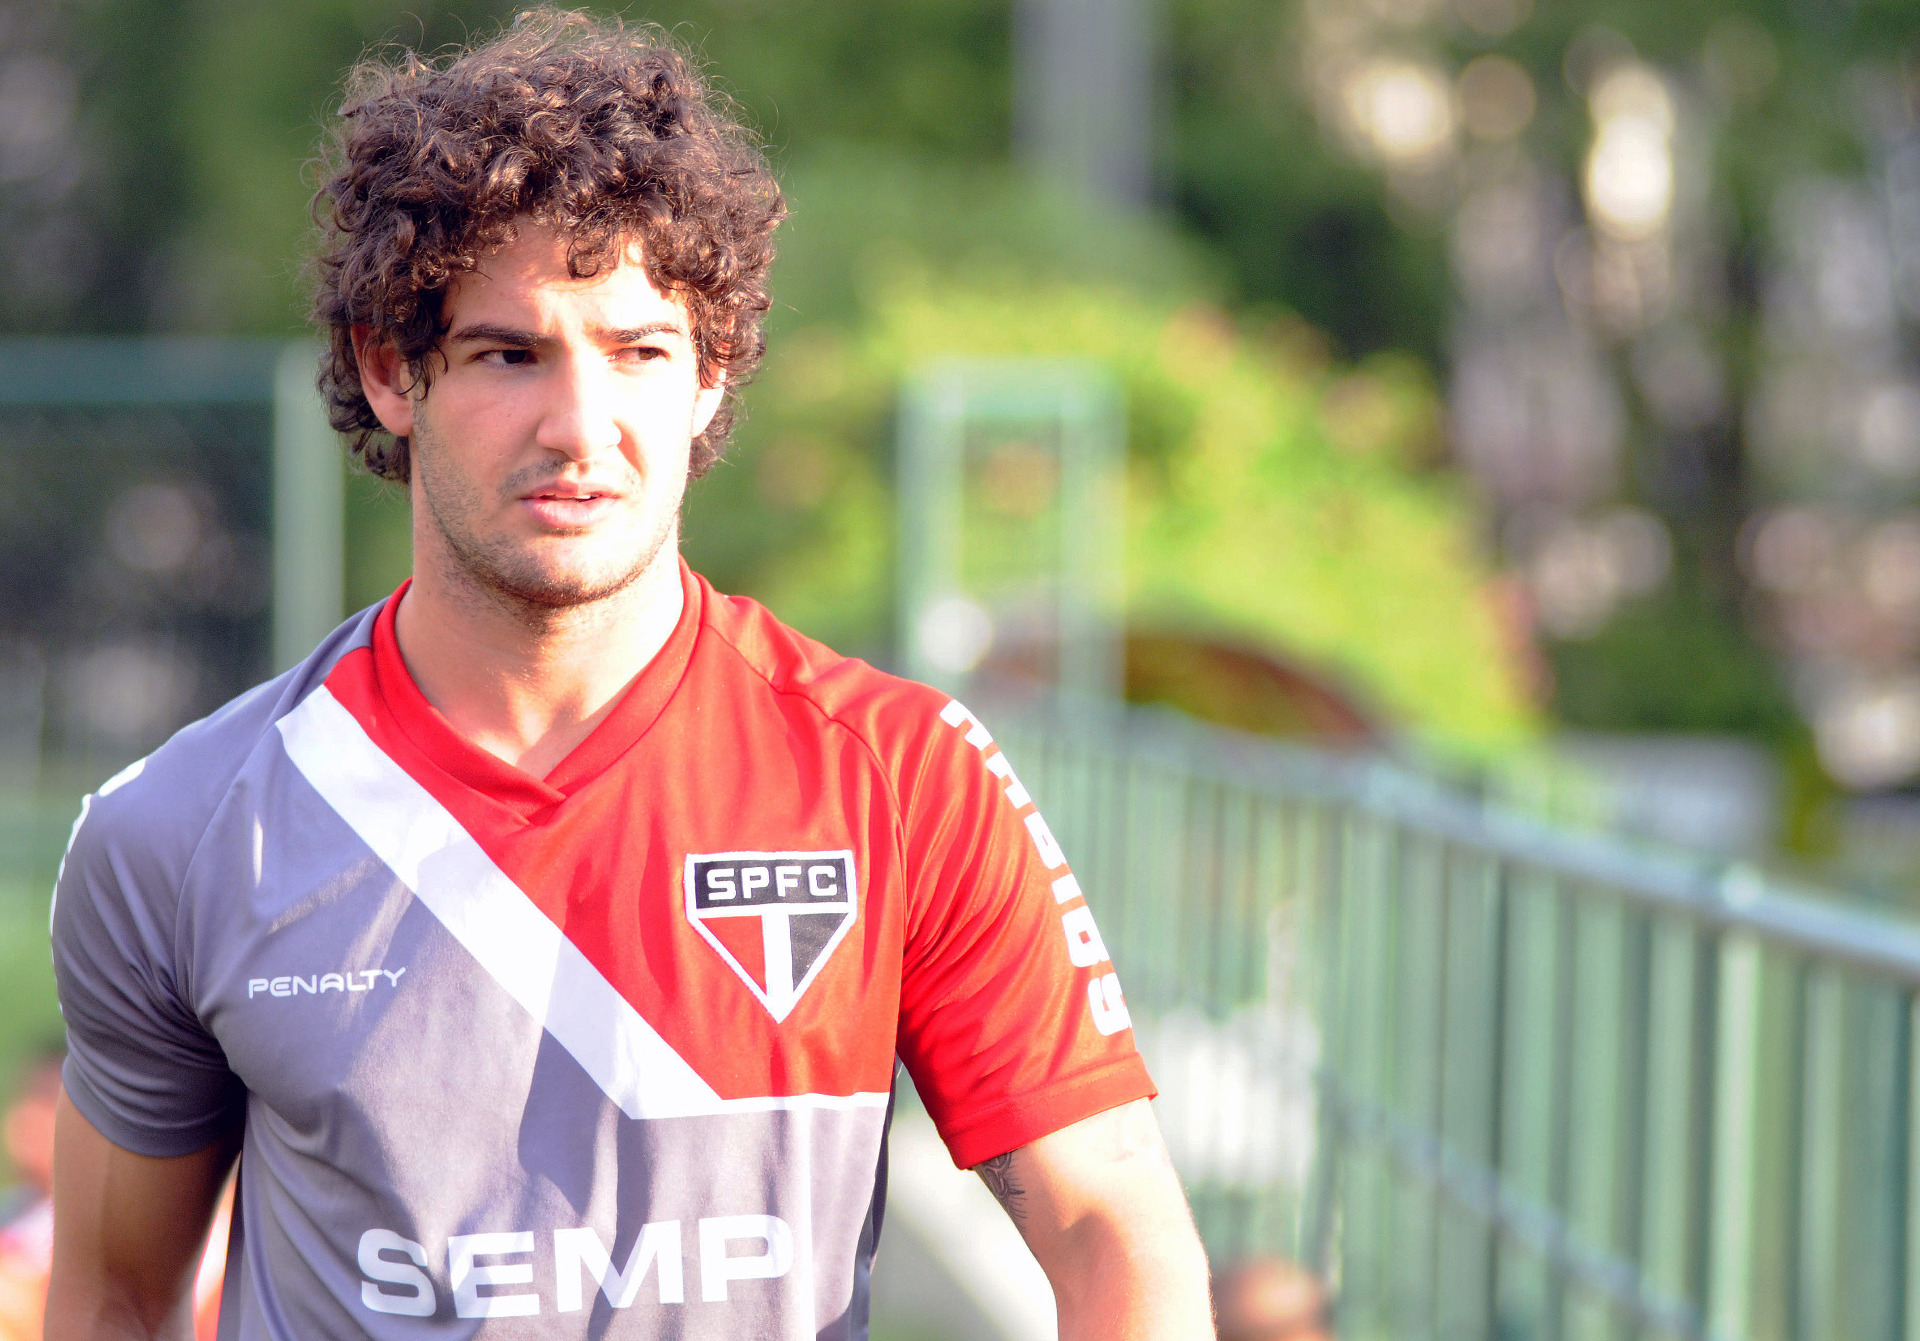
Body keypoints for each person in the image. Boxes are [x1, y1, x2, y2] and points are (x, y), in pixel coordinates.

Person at [46, 8, 1212, 1339]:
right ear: (389, 369)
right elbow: (116, 1293)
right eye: (508, 352)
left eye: (641, 351)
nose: (579, 426)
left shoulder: (903, 775)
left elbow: (1118, 1235)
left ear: (711, 377)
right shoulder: (185, 829)